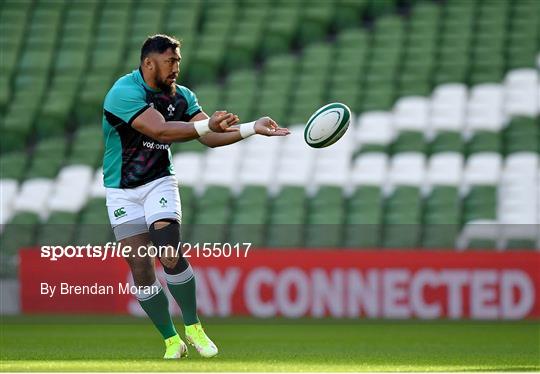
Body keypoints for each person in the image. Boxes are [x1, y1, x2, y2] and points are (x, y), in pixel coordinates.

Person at [102, 34, 290, 359]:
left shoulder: (183, 96)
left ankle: (193, 326)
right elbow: (159, 130)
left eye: (178, 60)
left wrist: (251, 128)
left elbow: (211, 136)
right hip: (121, 191)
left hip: (159, 182)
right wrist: (207, 128)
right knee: (141, 267)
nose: (176, 67)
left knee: (169, 252)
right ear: (149, 63)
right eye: (170, 61)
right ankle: (171, 340)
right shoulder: (124, 92)